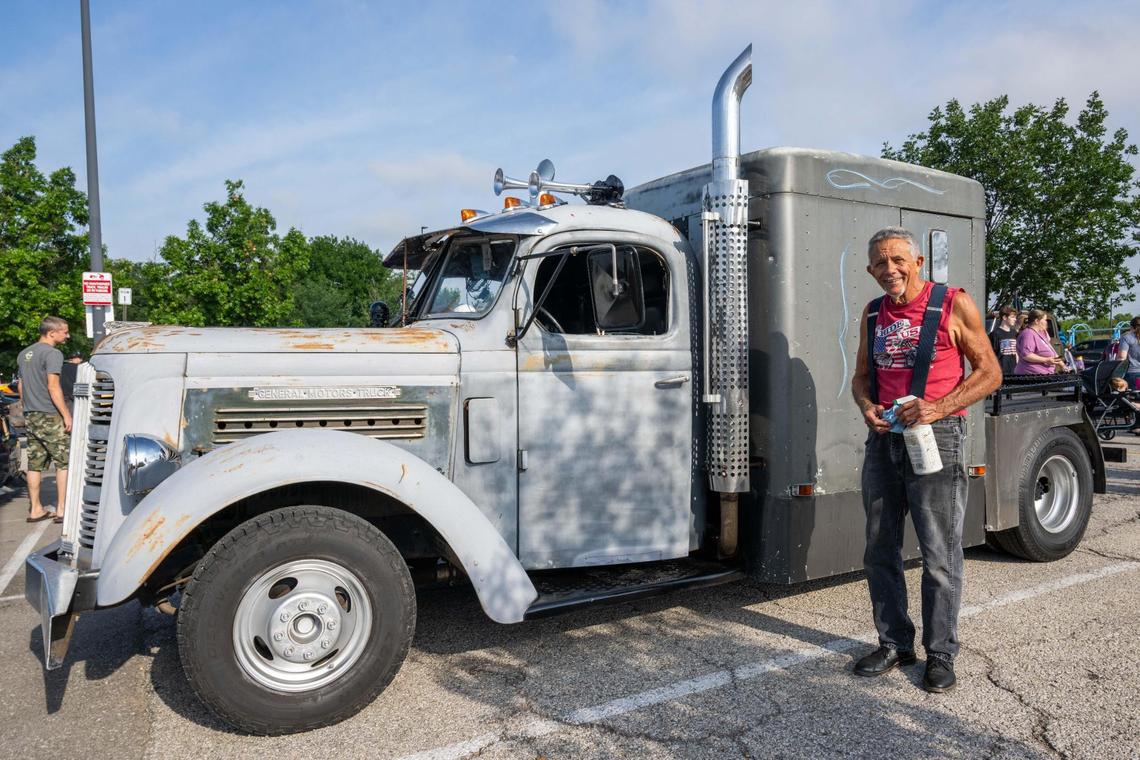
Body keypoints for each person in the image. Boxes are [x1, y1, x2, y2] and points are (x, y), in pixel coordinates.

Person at [852, 227, 1001, 693]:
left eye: (897, 260)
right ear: (870, 270)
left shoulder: (952, 302)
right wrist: (866, 406)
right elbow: (860, 377)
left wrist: (939, 406)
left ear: (917, 262)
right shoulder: (874, 312)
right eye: (879, 263)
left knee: (938, 552)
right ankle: (895, 643)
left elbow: (990, 372)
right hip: (886, 441)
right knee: (880, 548)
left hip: (939, 435)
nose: (889, 270)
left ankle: (941, 653)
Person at [17, 316, 72, 523]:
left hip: (31, 414)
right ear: (51, 333)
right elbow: (53, 386)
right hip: (50, 414)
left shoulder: (24, 354)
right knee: (62, 461)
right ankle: (62, 509)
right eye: (64, 332)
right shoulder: (53, 354)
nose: (67, 336)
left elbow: (21, 387)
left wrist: (29, 408)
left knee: (34, 464)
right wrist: (66, 414)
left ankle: (36, 509)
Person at [1014, 309, 1064, 375]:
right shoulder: (1028, 334)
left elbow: (1052, 352)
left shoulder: (1040, 333)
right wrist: (1046, 360)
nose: (1046, 323)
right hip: (1031, 375)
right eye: (1045, 320)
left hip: (1045, 374)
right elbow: (1027, 355)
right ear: (1037, 321)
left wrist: (1063, 366)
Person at [990, 305, 1019, 376]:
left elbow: (1017, 352)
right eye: (1012, 317)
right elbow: (991, 355)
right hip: (1000, 372)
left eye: (1015, 317)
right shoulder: (995, 334)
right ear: (1004, 317)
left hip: (1014, 371)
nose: (1015, 319)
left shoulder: (1014, 333)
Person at [1116, 316, 1140, 389]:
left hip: (1133, 373)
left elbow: (1122, 357)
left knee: (1134, 398)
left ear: (1131, 326)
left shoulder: (1126, 337)